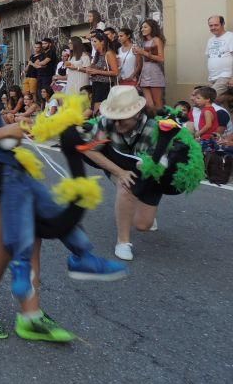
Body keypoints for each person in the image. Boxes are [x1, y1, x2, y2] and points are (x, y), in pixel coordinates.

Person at [0, 47, 127, 342]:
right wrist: (6, 131)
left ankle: (30, 317)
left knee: (31, 236)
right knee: (7, 245)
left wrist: (6, 126)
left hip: (6, 174)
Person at [60, 86, 203, 261]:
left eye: (122, 119)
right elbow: (88, 149)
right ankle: (123, 242)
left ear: (137, 114)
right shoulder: (106, 122)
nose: (117, 124)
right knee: (125, 186)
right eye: (114, 118)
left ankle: (141, 205)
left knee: (143, 225)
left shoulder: (154, 129)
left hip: (152, 173)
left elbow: (160, 167)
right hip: (121, 166)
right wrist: (119, 172)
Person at [134, 19, 166, 113]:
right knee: (148, 104)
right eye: (142, 27)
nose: (142, 29)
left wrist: (143, 52)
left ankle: (160, 125)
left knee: (158, 104)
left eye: (145, 27)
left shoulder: (157, 40)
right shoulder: (144, 42)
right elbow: (143, 62)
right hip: (145, 74)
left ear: (152, 28)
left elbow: (161, 58)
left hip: (155, 73)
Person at [86, 32, 119, 113]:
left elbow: (115, 72)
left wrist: (97, 71)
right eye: (92, 41)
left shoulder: (109, 53)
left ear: (102, 42)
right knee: (94, 109)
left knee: (99, 110)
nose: (93, 44)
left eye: (95, 41)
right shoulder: (97, 54)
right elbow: (93, 69)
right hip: (96, 84)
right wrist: (84, 69)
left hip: (105, 85)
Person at [206, 15, 233, 95]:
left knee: (207, 98)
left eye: (216, 25)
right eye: (211, 25)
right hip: (212, 78)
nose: (213, 27)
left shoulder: (230, 36)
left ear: (223, 24)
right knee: (218, 104)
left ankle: (229, 98)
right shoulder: (210, 40)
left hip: (225, 76)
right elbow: (210, 58)